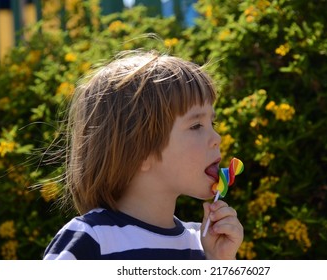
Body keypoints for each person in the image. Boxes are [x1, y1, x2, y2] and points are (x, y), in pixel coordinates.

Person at [43, 50, 243, 260]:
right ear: (140, 151)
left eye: (212, 123)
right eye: (195, 126)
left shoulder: (201, 245)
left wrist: (219, 263)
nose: (217, 137)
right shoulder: (91, 241)